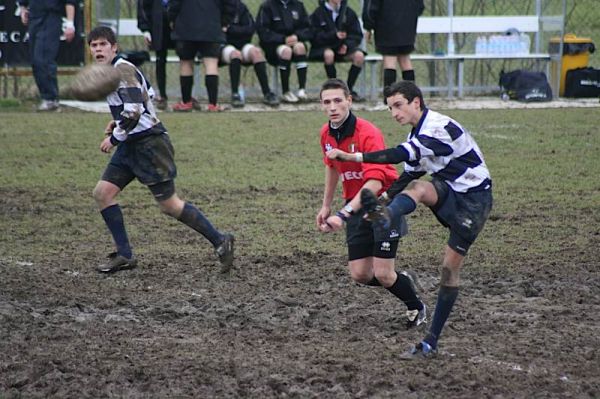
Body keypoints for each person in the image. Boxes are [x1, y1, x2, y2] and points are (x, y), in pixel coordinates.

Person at [326, 80, 493, 358]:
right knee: (418, 188)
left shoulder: (436, 128)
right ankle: (386, 214)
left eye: (398, 105)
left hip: (474, 202)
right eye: (390, 107)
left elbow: (398, 155)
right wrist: (385, 198)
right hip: (450, 192)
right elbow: (409, 172)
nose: (394, 113)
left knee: (449, 271)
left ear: (417, 102)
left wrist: (352, 156)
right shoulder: (418, 133)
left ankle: (431, 341)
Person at [87, 26, 234, 274]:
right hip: (132, 143)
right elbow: (148, 96)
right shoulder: (115, 71)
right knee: (103, 193)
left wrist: (114, 137)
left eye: (103, 44)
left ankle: (221, 241)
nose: (99, 49)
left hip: (149, 145)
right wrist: (118, 121)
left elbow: (134, 111)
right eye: (94, 45)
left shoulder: (122, 70)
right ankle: (125, 255)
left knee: (169, 205)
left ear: (114, 47)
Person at [317, 78, 427, 330]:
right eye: (327, 102)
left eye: (337, 100)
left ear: (349, 101)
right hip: (353, 205)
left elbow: (375, 183)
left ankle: (416, 306)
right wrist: (326, 205)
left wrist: (342, 215)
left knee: (383, 274)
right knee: (360, 274)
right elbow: (332, 168)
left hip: (382, 207)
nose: (333, 106)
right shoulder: (325, 134)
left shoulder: (367, 132)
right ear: (321, 106)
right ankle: (402, 281)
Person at [167, 0, 236, 112]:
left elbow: (174, 4)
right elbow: (230, 4)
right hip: (211, 26)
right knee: (211, 63)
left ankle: (186, 102)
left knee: (186, 62)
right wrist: (224, 22)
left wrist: (172, 19)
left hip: (185, 26)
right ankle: (212, 104)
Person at [17, 0, 76, 111]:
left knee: (43, 59)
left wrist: (70, 24)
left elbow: (70, 2)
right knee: (35, 61)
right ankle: (46, 97)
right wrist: (23, 9)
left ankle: (51, 98)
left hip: (51, 18)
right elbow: (23, 2)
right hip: (34, 18)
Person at [220, 0, 279, 108]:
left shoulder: (240, 6)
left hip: (242, 44)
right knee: (235, 54)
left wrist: (230, 29)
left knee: (256, 53)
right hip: (223, 46)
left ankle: (267, 93)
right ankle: (235, 94)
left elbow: (250, 28)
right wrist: (236, 31)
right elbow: (217, 31)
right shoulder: (216, 6)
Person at [362, 0, 424, 98]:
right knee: (405, 60)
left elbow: (371, 8)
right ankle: (412, 96)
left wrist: (368, 26)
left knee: (389, 60)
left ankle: (389, 97)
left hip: (386, 23)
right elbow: (420, 6)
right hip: (408, 25)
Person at [256, 0, 312, 103]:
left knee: (300, 47)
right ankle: (286, 91)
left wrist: (297, 36)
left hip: (294, 42)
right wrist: (282, 39)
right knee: (286, 51)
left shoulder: (298, 5)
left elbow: (308, 29)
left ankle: (302, 90)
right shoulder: (267, 6)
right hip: (273, 47)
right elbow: (263, 32)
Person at [309, 0, 365, 102]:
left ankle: (348, 89)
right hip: (323, 48)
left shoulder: (348, 12)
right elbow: (314, 36)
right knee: (329, 54)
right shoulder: (319, 13)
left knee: (359, 56)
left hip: (343, 49)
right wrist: (333, 35)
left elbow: (357, 35)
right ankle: (334, 88)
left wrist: (346, 45)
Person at [137, 0, 176, 111]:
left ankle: (186, 98)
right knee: (160, 61)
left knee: (186, 59)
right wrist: (145, 30)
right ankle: (162, 96)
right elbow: (142, 8)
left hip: (180, 25)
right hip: (158, 27)